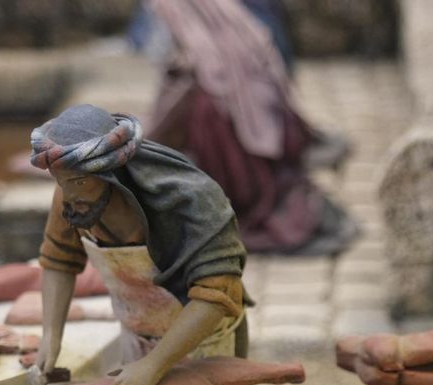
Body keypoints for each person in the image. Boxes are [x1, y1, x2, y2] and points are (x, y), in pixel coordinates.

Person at [26, 103, 249, 385]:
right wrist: (51, 337)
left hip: (205, 345)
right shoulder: (73, 200)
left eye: (78, 182)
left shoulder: (191, 201)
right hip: (137, 340)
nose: (69, 194)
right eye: (60, 182)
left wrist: (153, 366)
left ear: (112, 173)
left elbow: (216, 296)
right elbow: (59, 261)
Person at [140, 0, 354, 256]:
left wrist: (149, 137)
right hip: (253, 102)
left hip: (226, 109)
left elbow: (196, 62)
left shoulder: (174, 9)